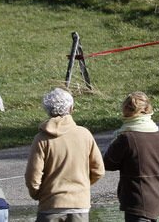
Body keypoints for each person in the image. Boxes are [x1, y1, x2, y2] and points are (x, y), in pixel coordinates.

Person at [25, 88, 105, 222]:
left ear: (48, 110)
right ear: (71, 108)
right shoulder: (84, 134)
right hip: (79, 205)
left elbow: (32, 177)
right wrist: (82, 187)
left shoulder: (41, 139)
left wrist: (39, 194)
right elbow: (99, 171)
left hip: (50, 204)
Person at [103, 92, 159, 222]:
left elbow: (108, 163)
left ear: (126, 110)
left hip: (136, 199)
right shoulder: (158, 135)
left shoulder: (126, 137)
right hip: (155, 197)